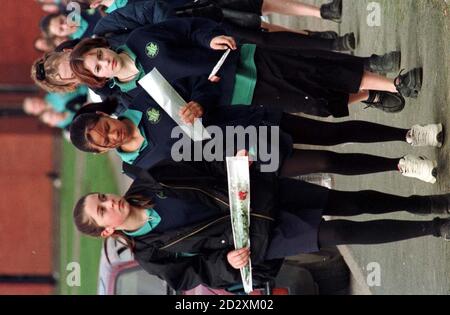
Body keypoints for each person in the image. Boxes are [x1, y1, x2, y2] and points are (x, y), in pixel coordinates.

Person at [73, 159, 450, 291]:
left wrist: (235, 164)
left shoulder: (149, 181)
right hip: (259, 239)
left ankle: (420, 203)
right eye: (102, 210)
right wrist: (227, 264)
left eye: (103, 198)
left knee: (347, 202)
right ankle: (434, 227)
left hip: (259, 197)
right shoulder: (151, 254)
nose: (110, 201)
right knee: (338, 233)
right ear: (107, 230)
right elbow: (195, 274)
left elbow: (202, 167)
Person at [69, 88, 444, 183]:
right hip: (246, 160)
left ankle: (410, 133)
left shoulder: (143, 97)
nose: (111, 135)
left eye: (104, 127)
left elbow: (201, 86)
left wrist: (198, 102)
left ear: (104, 113)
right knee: (328, 162)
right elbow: (193, 179)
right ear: (102, 152)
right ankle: (402, 165)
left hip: (250, 123)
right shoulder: (138, 171)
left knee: (333, 133)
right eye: (104, 142)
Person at [69, 19, 411, 118]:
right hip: (238, 92)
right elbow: (186, 101)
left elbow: (190, 29)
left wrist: (211, 39)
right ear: (100, 79)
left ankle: (393, 84)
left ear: (102, 46)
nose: (104, 62)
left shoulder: (143, 39)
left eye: (99, 55)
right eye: (98, 68)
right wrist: (198, 105)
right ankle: (369, 93)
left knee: (313, 70)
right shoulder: (137, 97)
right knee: (316, 104)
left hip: (244, 59)